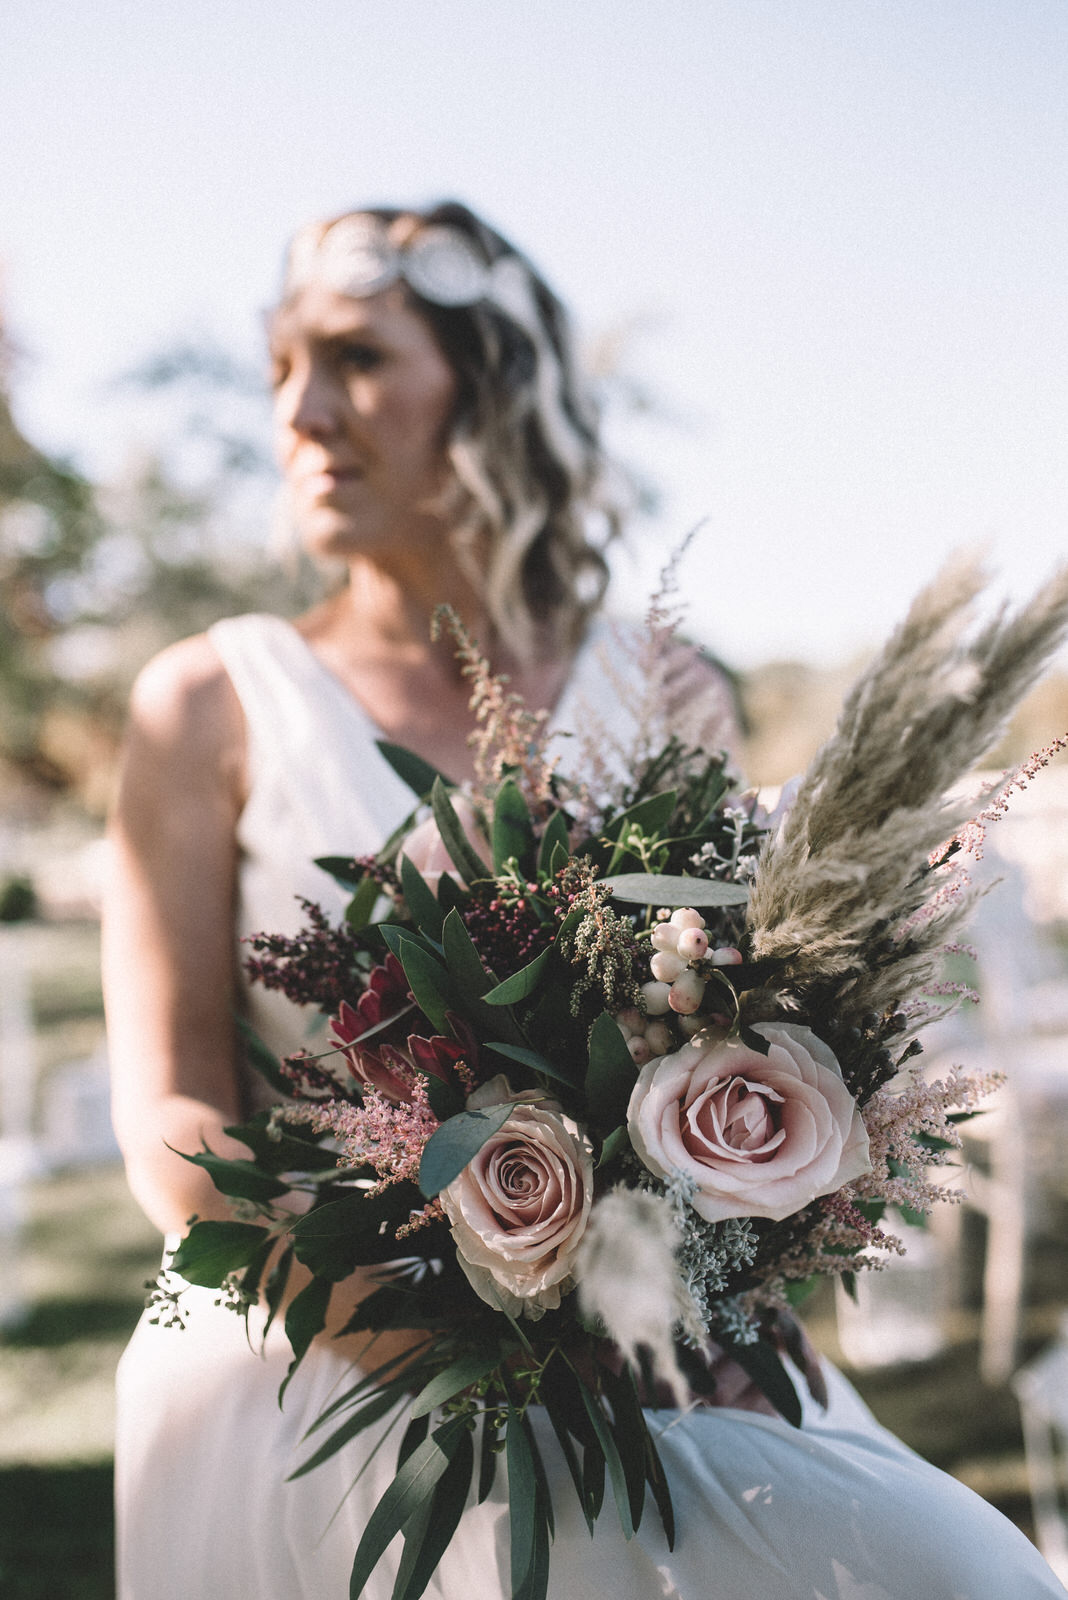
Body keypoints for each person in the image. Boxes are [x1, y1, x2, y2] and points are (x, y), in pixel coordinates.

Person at [104, 201, 1066, 1599]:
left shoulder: (667, 690)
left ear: (488, 386)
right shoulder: (206, 702)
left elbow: (735, 1014)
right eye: (280, 370)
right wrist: (405, 1329)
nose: (303, 412)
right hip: (313, 1341)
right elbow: (175, 1120)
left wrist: (715, 1267)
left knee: (967, 1573)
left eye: (358, 359)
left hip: (652, 1353)